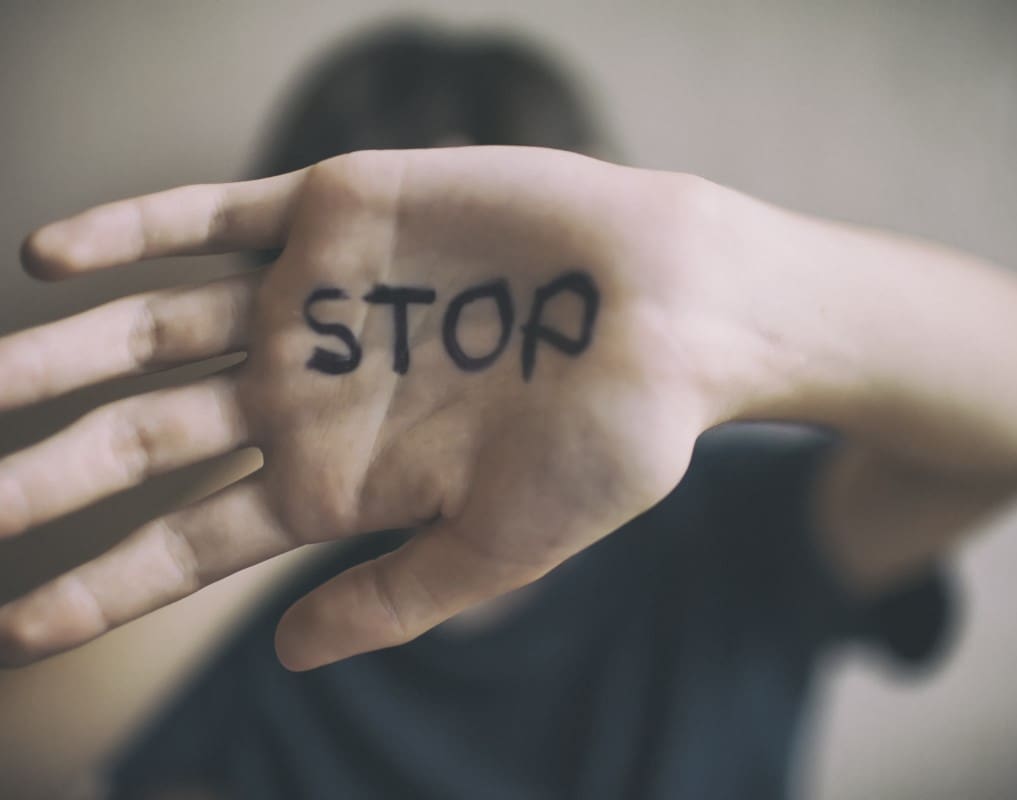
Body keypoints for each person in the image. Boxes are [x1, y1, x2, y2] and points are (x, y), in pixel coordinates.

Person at [1, 22, 1013, 800]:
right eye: (402, 290)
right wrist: (274, 433)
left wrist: (723, 289)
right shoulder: (271, 621)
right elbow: (29, 755)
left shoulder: (732, 525)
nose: (453, 355)